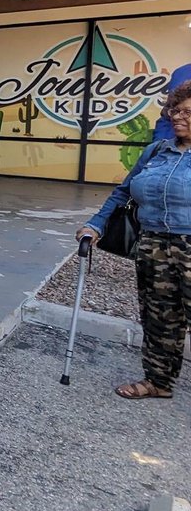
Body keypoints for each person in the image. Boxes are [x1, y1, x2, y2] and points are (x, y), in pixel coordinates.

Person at [79, 80, 191, 400]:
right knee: (159, 317)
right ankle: (158, 380)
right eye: (174, 110)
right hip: (153, 244)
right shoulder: (157, 151)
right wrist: (95, 224)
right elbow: (123, 193)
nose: (177, 117)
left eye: (186, 112)